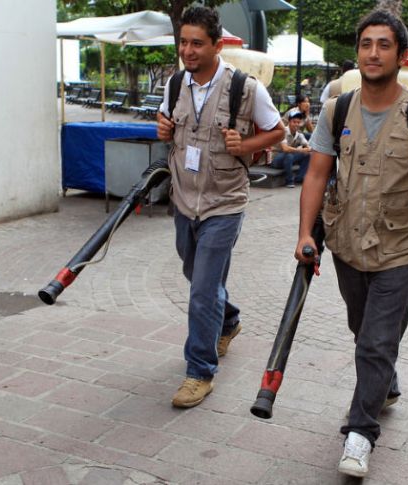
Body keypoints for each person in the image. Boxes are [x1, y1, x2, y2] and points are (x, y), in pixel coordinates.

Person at [295, 9, 408, 478]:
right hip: (346, 244)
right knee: (364, 331)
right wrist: (305, 233)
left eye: (384, 45)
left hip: (400, 248)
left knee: (376, 341)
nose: (373, 53)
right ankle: (384, 383)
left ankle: (360, 433)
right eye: (366, 44)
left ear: (402, 56)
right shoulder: (336, 109)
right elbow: (317, 173)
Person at [156, 6, 285, 408]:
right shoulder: (176, 84)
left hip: (224, 203)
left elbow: (278, 131)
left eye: (197, 43)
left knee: (202, 290)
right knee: (194, 274)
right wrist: (162, 128)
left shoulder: (244, 87)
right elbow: (166, 123)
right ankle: (228, 320)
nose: (188, 50)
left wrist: (245, 145)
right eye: (183, 42)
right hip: (183, 198)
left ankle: (199, 372)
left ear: (216, 44)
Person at [271, 110, 311, 187]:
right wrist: (300, 150)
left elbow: (308, 146)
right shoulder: (284, 132)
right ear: (289, 122)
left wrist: (307, 148)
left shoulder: (299, 134)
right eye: (294, 122)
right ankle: (289, 181)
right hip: (276, 159)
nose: (296, 124)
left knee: (307, 155)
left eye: (298, 122)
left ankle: (299, 178)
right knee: (289, 155)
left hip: (289, 158)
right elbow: (285, 148)